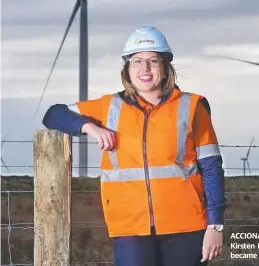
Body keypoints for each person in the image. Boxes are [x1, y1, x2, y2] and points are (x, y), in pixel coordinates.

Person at [42, 26, 226, 266]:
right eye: (137, 61)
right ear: (127, 68)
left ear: (165, 66)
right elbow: (53, 114)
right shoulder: (108, 107)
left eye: (153, 61)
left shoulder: (192, 107)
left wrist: (215, 225)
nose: (145, 69)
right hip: (129, 228)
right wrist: (89, 127)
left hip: (186, 226)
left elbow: (212, 169)